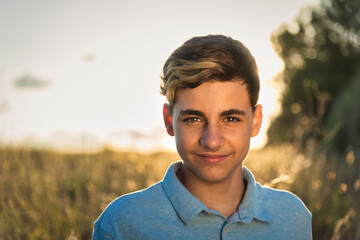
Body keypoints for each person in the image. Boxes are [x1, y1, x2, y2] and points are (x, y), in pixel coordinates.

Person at [92, 35, 312, 239]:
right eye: (194, 119)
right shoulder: (121, 223)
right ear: (169, 121)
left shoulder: (293, 217)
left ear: (255, 122)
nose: (212, 141)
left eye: (231, 119)